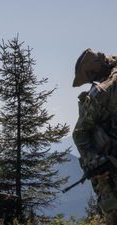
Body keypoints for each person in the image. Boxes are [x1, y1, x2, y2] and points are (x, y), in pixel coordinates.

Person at [72, 48, 117, 225]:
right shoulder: (105, 91)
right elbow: (80, 133)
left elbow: (80, 133)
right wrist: (96, 162)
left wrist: (93, 160)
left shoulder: (104, 91)